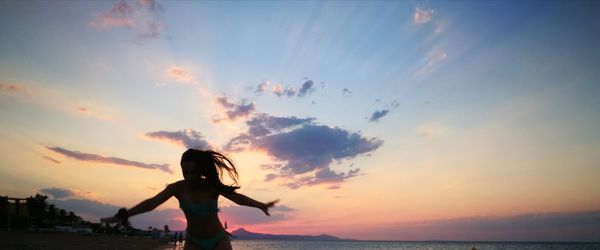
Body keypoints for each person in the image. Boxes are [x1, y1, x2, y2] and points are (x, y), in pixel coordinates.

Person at [101, 149, 278, 250]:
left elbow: (237, 198)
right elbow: (151, 203)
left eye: (193, 171)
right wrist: (125, 215)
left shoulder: (211, 186)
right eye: (185, 171)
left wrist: (261, 205)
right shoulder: (176, 188)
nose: (189, 175)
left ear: (200, 170)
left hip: (218, 240)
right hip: (194, 241)